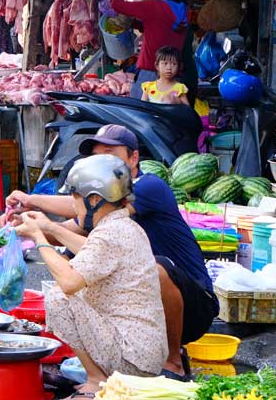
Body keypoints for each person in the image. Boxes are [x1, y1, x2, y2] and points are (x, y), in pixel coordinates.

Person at [0, 124, 217, 380]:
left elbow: (77, 210)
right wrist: (22, 227)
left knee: (156, 269)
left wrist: (32, 201)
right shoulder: (101, 216)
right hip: (144, 318)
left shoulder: (145, 186)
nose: (102, 162)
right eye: (97, 156)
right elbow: (66, 229)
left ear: (133, 157)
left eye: (110, 154)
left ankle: (173, 361)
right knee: (85, 266)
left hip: (193, 302)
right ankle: (116, 363)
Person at [14, 154, 168, 392]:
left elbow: (68, 283)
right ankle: (99, 376)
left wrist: (38, 238)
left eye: (75, 199)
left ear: (94, 199)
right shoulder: (124, 226)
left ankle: (96, 380)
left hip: (132, 358)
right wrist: (47, 226)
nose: (74, 206)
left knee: (59, 298)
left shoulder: (109, 234)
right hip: (143, 352)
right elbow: (90, 251)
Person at [102, 0, 189, 98]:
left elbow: (120, 6)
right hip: (174, 75)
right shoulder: (185, 10)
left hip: (151, 74)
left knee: (141, 114)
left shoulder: (155, 7)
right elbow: (162, 28)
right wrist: (136, 24)